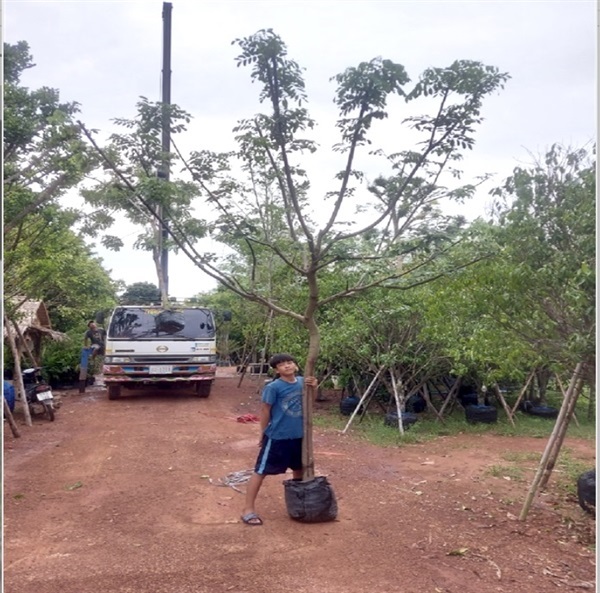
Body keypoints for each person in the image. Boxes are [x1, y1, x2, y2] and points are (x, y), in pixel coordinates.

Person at [240, 353, 317, 526]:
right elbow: (265, 410)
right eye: (282, 365)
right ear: (277, 370)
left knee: (298, 470)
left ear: (296, 365)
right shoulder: (274, 387)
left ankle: (299, 505)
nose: (287, 366)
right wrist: (263, 432)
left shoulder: (303, 382)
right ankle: (248, 509)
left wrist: (315, 387)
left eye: (290, 362)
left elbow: (310, 403)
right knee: (261, 471)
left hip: (299, 436)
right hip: (277, 437)